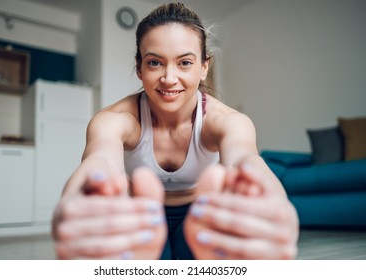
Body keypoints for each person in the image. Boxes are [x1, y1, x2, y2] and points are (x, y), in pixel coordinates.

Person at [52, 2, 299, 260]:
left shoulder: (228, 121)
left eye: (184, 63)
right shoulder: (114, 119)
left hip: (198, 216)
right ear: (139, 67)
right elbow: (100, 160)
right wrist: (79, 202)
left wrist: (273, 204)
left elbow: (244, 160)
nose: (169, 78)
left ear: (204, 67)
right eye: (155, 62)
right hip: (143, 217)